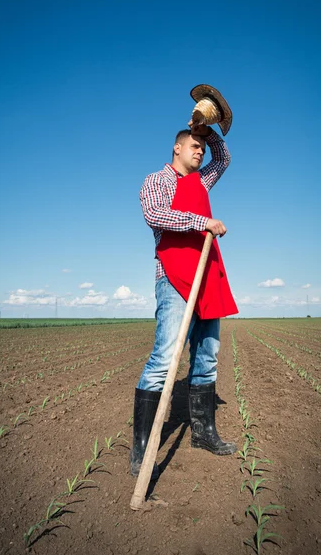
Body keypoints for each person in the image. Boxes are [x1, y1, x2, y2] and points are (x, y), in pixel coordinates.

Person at [130, 121, 238, 479]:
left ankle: (203, 434)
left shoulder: (201, 180)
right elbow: (155, 215)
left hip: (207, 277)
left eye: (202, 147)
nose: (200, 151)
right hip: (174, 279)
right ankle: (142, 449)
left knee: (207, 358)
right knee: (164, 360)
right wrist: (202, 221)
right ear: (176, 148)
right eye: (194, 145)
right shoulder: (156, 181)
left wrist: (208, 131)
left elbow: (223, 159)